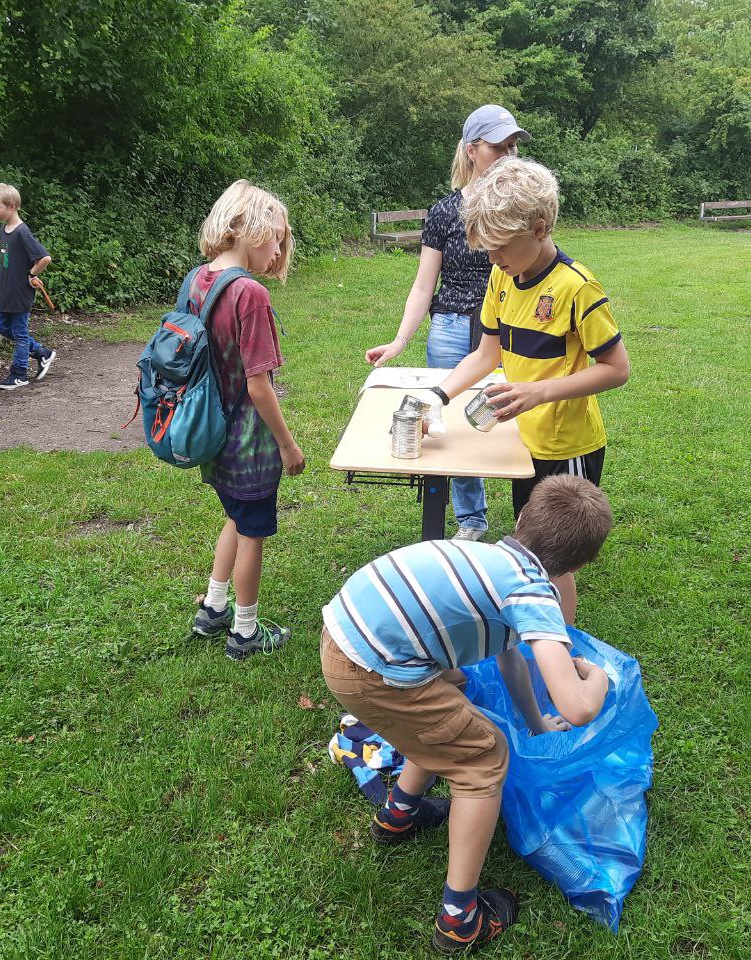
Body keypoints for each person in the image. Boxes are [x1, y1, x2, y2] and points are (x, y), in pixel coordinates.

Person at [320, 474, 612, 955]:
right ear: (580, 565)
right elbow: (578, 707)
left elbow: (509, 656)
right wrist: (596, 680)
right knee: (483, 757)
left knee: (448, 709)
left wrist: (536, 721)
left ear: (522, 517)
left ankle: (398, 816)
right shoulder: (531, 592)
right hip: (372, 670)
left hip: (346, 635)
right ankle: (459, 921)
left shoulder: (490, 559)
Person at [410, 157, 630, 625]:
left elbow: (616, 369)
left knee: (554, 559)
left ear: (540, 227)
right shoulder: (502, 277)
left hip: (566, 446)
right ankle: (537, 631)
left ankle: (559, 641)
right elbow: (485, 355)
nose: (492, 259)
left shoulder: (577, 288)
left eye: (500, 248)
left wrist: (538, 393)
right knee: (530, 543)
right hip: (524, 442)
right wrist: (438, 396)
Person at [365, 105, 530, 541]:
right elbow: (424, 286)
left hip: (509, 329)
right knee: (447, 421)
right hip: (453, 328)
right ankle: (471, 519)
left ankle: (532, 517)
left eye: (513, 147)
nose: (509, 155)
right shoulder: (443, 212)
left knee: (520, 416)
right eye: (499, 147)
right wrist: (400, 340)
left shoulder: (522, 208)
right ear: (472, 150)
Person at [186, 180, 305, 660]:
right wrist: (287, 445)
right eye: (276, 238)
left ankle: (213, 608)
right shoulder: (249, 293)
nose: (278, 251)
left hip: (211, 429)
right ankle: (245, 632)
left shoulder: (198, 279)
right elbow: (259, 385)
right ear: (252, 230)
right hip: (249, 440)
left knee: (235, 516)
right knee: (252, 529)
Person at [0, 183, 57, 390]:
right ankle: (41, 352)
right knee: (2, 327)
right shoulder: (4, 229)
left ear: (12, 206)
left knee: (19, 334)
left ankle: (19, 374)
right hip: (5, 291)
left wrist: (32, 274)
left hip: (19, 292)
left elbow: (44, 258)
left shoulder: (22, 232)